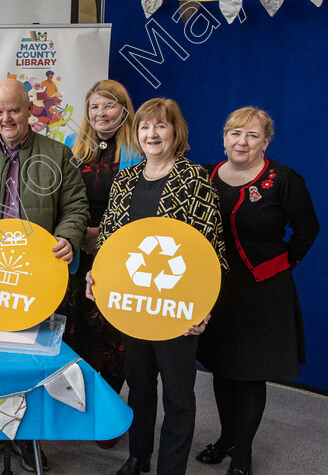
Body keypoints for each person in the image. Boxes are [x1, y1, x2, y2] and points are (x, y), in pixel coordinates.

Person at [0, 78, 89, 473]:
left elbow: (76, 207)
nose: (6, 118)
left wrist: (67, 236)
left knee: (33, 364)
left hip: (37, 276)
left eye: (13, 109)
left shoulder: (58, 156)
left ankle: (29, 440)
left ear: (29, 110)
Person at [85, 97, 226, 475]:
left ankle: (170, 468)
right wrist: (94, 275)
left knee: (179, 396)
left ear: (175, 132)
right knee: (140, 385)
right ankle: (138, 456)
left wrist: (204, 307)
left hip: (177, 306)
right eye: (145, 126)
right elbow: (110, 242)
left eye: (161, 126)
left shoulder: (194, 179)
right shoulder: (126, 180)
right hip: (132, 303)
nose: (152, 133)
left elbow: (210, 250)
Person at [195, 107, 318, 475]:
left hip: (264, 290)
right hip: (218, 289)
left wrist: (281, 266)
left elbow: (307, 229)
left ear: (266, 141)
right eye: (235, 133)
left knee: (250, 372)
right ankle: (226, 438)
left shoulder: (284, 179)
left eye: (252, 135)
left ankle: (243, 452)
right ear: (224, 138)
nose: (242, 141)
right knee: (222, 366)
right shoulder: (206, 176)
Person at [57, 79, 141, 448]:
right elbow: (61, 203)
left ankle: (108, 414)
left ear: (123, 109)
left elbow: (144, 211)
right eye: (93, 107)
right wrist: (78, 235)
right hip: (77, 260)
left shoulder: (139, 153)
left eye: (108, 106)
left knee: (115, 341)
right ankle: (81, 409)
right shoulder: (74, 152)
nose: (100, 114)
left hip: (121, 260)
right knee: (78, 336)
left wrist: (101, 235)